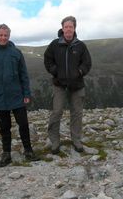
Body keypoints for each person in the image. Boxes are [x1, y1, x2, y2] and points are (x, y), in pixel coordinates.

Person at [0, 24, 39, 167]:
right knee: (4, 127)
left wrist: (26, 93)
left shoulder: (16, 53)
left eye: (6, 35)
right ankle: (6, 154)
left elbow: (24, 75)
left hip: (17, 96)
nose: (3, 38)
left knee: (23, 124)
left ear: (9, 36)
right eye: (1, 35)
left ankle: (28, 151)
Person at [44, 16, 92, 154]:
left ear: (74, 28)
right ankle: (55, 142)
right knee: (57, 111)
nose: (68, 29)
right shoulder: (54, 44)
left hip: (77, 85)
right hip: (59, 84)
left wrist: (80, 71)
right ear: (62, 28)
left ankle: (76, 140)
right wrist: (54, 71)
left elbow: (87, 63)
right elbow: (47, 60)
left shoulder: (80, 46)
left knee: (77, 113)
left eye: (71, 27)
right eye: (66, 27)